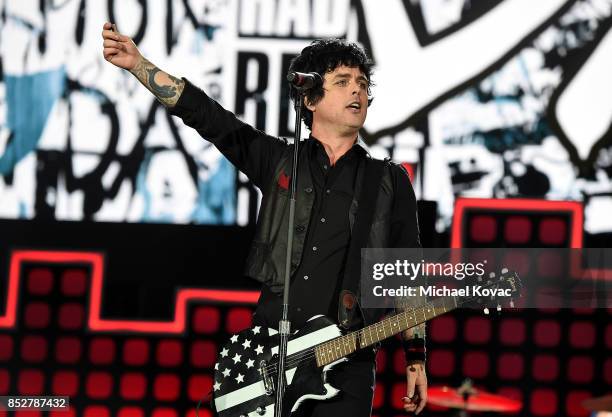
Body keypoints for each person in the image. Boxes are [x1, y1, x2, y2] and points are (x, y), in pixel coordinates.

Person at [102, 22, 427, 416]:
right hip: (267, 357)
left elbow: (406, 273)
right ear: (309, 98)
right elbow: (210, 118)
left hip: (347, 367)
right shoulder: (279, 162)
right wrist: (139, 65)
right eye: (342, 81)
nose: (357, 89)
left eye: (361, 82)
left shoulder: (389, 181)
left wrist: (415, 357)